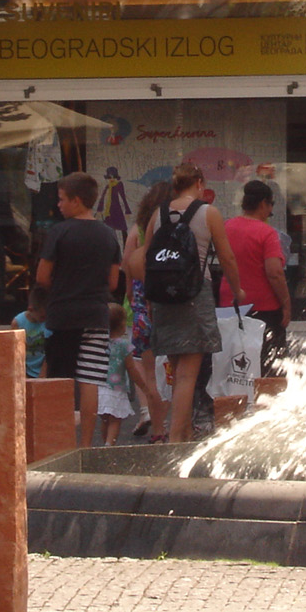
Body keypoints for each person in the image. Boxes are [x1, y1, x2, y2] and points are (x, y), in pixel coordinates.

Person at [135, 163, 247, 444]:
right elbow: (227, 257)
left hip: (163, 298)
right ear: (199, 183)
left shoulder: (158, 215)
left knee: (177, 371)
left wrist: (149, 299)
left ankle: (183, 434)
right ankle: (176, 440)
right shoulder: (208, 213)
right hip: (194, 294)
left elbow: (146, 259)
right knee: (188, 375)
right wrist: (237, 290)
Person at [36, 172, 123, 441]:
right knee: (90, 380)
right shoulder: (108, 235)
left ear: (76, 200)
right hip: (96, 314)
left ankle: (59, 442)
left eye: (62, 199)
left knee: (61, 381)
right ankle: (86, 443)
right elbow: (113, 282)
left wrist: (62, 286)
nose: (58, 205)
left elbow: (42, 276)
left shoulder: (59, 232)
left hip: (63, 315)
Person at [218, 178, 293, 372]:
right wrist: (286, 303)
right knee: (268, 366)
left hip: (230, 306)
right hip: (263, 308)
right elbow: (275, 272)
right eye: (271, 204)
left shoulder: (226, 227)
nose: (271, 210)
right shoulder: (267, 233)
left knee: (234, 367)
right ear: (262, 204)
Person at [121, 181, 175, 436]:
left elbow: (129, 290)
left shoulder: (137, 247)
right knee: (176, 375)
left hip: (142, 316)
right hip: (168, 315)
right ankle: (176, 425)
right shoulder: (172, 252)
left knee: (151, 377)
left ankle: (157, 428)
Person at [95, 304, 147, 445]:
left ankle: (105, 443)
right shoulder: (124, 346)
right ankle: (110, 444)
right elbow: (132, 369)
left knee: (105, 419)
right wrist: (143, 386)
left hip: (99, 388)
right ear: (122, 324)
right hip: (116, 388)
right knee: (115, 420)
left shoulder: (99, 343)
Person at [14, 286, 50, 378]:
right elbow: (16, 353)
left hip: (44, 369)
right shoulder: (18, 323)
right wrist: (23, 374)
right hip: (27, 370)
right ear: (31, 309)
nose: (44, 319)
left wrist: (43, 374)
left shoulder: (48, 322)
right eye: (42, 317)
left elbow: (49, 351)